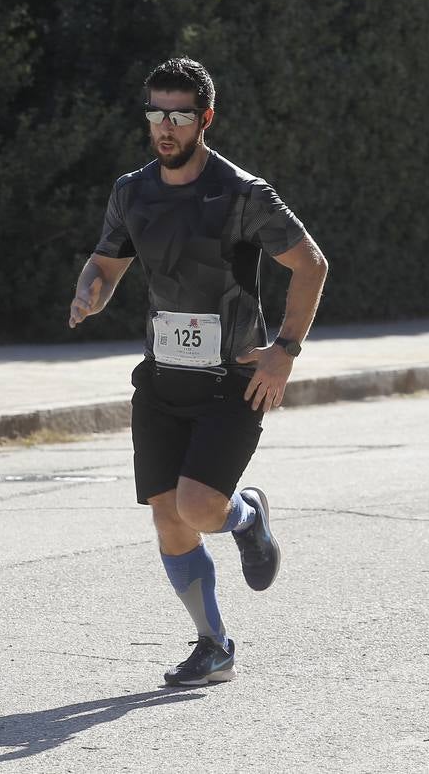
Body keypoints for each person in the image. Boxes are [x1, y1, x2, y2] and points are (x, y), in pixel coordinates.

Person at [68, 57, 328, 685]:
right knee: (168, 517)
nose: (165, 127)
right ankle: (214, 646)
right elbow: (105, 262)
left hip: (231, 381)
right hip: (162, 380)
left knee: (201, 508)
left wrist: (284, 351)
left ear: (204, 118)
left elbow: (311, 265)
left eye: (179, 115)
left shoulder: (243, 194)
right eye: (156, 113)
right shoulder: (132, 191)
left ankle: (247, 517)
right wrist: (90, 292)